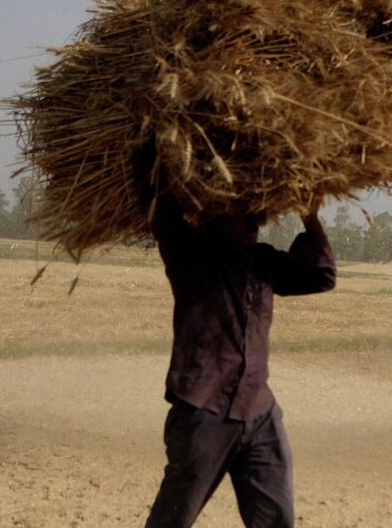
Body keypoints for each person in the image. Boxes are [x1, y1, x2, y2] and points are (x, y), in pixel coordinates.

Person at [139, 169, 336, 528]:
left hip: (258, 410)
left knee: (276, 520)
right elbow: (155, 199)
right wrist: (152, 138)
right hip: (204, 408)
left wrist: (309, 216)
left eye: (255, 214)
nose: (252, 222)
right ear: (215, 213)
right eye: (240, 212)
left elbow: (322, 276)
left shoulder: (263, 262)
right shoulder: (189, 254)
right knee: (172, 519)